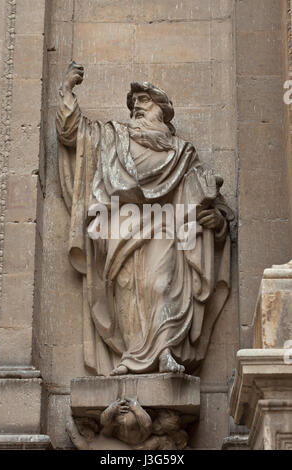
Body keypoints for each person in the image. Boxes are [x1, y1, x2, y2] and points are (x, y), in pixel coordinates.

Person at [56, 61, 234, 377]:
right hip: (120, 229)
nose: (137, 106)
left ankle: (164, 352)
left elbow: (208, 205)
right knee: (126, 287)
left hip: (165, 226)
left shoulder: (182, 154)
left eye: (145, 101)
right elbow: (75, 134)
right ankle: (132, 356)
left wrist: (215, 222)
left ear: (162, 111)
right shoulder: (113, 137)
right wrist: (67, 92)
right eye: (134, 103)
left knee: (159, 282)